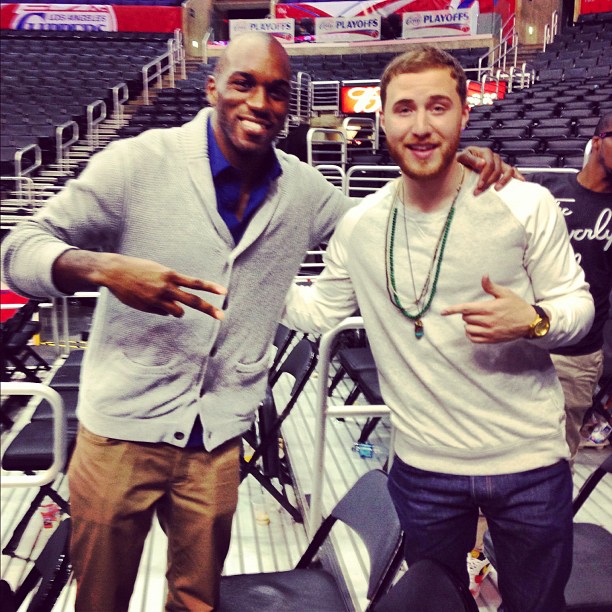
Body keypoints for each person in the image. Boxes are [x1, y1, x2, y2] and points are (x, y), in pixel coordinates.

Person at [1, 34, 513, 611]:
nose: (260, 102)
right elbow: (19, 250)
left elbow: (385, 227)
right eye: (244, 83)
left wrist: (454, 167)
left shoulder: (303, 189)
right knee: (100, 601)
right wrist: (104, 269)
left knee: (198, 601)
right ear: (212, 86)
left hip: (217, 441)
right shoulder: (138, 164)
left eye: (276, 91)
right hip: (120, 433)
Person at [282, 45, 594, 610]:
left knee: (539, 605)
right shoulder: (359, 227)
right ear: (381, 119)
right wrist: (248, 275)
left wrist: (535, 320)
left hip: (529, 464)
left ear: (464, 113)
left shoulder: (524, 203)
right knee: (438, 603)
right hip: (425, 470)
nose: (421, 126)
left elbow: (578, 307)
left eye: (437, 107)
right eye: (404, 109)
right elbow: (317, 313)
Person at [527, 112, 612, 456]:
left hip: (578, 355)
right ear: (596, 141)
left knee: (557, 459)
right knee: (499, 455)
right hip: (523, 346)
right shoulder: (545, 189)